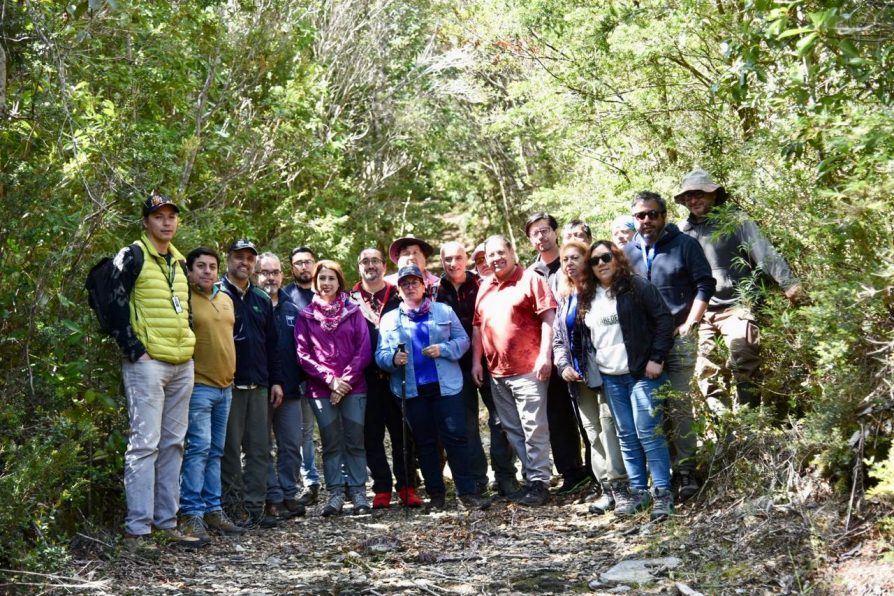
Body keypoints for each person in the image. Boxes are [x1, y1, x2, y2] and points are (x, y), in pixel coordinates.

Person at [108, 193, 200, 551]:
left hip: (181, 363)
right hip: (148, 365)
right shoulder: (131, 256)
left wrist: (189, 347)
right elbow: (114, 306)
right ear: (145, 221)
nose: (166, 222)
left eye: (171, 216)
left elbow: (185, 310)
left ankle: (166, 523)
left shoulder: (178, 261)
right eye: (158, 216)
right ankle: (138, 530)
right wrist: (135, 351)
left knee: (173, 444)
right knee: (144, 445)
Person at [674, 169, 802, 411]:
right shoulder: (683, 231)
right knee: (705, 370)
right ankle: (726, 429)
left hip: (737, 305)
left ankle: (749, 420)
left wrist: (789, 284)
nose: (693, 200)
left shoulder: (736, 220)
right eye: (688, 196)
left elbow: (764, 252)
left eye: (699, 193)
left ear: (713, 194)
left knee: (744, 358)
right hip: (700, 312)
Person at [623, 192, 715, 501]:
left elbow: (706, 284)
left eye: (652, 214)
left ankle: (686, 469)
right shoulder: (627, 252)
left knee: (677, 403)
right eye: (640, 216)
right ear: (634, 219)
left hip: (679, 337)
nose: (646, 220)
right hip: (645, 346)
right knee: (651, 408)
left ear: (663, 216)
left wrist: (691, 321)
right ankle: (660, 474)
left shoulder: (684, 245)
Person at [377, 265, 492, 511]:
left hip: (446, 387)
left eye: (414, 282)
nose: (410, 287)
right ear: (398, 289)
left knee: (456, 438)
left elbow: (463, 341)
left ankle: (467, 493)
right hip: (412, 391)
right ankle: (436, 496)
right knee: (425, 443)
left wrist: (444, 350)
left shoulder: (443, 311)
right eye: (405, 284)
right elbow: (380, 355)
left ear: (424, 285)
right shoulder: (389, 320)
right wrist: (392, 360)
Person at [587, 240, 676, 521]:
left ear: (617, 259)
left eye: (606, 257)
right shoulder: (588, 296)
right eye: (595, 260)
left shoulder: (637, 287)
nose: (601, 263)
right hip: (611, 377)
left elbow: (664, 320)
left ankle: (663, 493)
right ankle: (639, 493)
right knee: (626, 435)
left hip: (641, 372)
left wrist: (657, 358)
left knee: (648, 431)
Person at [472, 235, 557, 506]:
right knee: (512, 429)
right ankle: (532, 478)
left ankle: (540, 482)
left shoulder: (531, 279)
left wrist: (546, 355)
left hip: (529, 368)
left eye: (500, 252)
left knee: (534, 427)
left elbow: (548, 318)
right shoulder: (485, 287)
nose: (496, 258)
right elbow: (477, 327)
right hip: (497, 373)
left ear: (512, 251)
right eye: (491, 255)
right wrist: (477, 362)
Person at [552, 241, 628, 515]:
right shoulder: (564, 298)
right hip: (576, 379)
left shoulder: (598, 293)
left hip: (603, 372)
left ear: (586, 260)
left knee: (610, 429)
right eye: (565, 260)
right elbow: (558, 340)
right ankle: (606, 488)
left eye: (575, 258)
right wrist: (563, 366)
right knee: (593, 433)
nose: (570, 263)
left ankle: (622, 487)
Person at [295, 260, 372, 516]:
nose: (326, 283)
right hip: (321, 390)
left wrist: (345, 381)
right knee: (331, 442)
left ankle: (358, 491)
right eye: (322, 278)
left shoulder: (353, 312)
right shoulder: (306, 316)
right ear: (316, 283)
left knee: (354, 440)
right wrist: (330, 380)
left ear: (340, 282)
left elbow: (363, 349)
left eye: (331, 278)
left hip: (354, 387)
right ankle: (336, 493)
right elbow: (303, 353)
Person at [179, 247, 244, 542]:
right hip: (199, 386)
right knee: (198, 449)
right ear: (190, 271)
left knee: (216, 451)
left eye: (212, 266)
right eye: (201, 266)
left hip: (225, 387)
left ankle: (213, 510)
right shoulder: (185, 299)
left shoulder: (226, 298)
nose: (207, 271)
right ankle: (192, 514)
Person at [349, 247, 422, 508]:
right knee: (371, 434)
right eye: (365, 261)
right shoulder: (350, 299)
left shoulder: (397, 294)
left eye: (375, 261)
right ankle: (381, 487)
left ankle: (407, 485)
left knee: (403, 431)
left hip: (398, 373)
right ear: (359, 266)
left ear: (383, 265)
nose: (370, 265)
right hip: (364, 377)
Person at [525, 212, 592, 494]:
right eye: (535, 233)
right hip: (550, 357)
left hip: (580, 351)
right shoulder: (531, 273)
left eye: (545, 231)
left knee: (587, 414)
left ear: (555, 232)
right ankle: (572, 472)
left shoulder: (573, 262)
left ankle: (597, 470)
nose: (541, 237)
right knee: (558, 416)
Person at [220, 239, 284, 529]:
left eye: (249, 258)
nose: (243, 263)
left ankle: (255, 507)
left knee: (259, 448)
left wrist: (276, 381)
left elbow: (273, 345)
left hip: (259, 385)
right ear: (228, 259)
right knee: (230, 449)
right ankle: (234, 509)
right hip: (228, 383)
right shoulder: (217, 294)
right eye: (238, 257)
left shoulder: (260, 299)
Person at [432, 241, 489, 495]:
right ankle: (477, 479)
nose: (453, 263)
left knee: (501, 422)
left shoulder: (482, 285)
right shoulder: (434, 291)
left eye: (457, 258)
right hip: (453, 366)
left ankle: (506, 474)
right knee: (467, 425)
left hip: (488, 361)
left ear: (466, 259)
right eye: (447, 259)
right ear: (441, 262)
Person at [255, 252, 307, 520]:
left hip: (290, 389)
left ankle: (288, 493)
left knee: (291, 445)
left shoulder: (291, 307)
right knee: (261, 445)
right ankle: (271, 497)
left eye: (275, 272)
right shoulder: (251, 303)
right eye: (265, 272)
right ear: (256, 275)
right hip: (260, 389)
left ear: (282, 275)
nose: (271, 277)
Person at [281, 246, 321, 505]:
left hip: (331, 374)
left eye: (308, 262)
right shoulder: (285, 295)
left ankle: (348, 481)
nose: (304, 267)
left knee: (335, 429)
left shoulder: (327, 290)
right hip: (299, 374)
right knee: (303, 432)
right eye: (298, 263)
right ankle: (310, 482)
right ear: (292, 267)